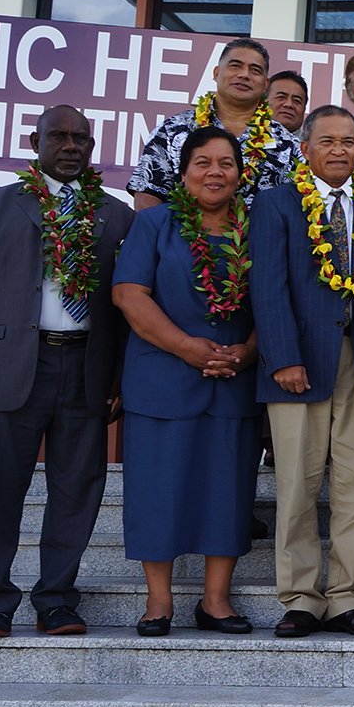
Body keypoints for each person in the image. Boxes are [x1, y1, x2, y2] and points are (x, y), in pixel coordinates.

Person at [0, 107, 132, 640]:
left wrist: (120, 374)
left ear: (92, 146)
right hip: (11, 368)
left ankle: (56, 600)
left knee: (77, 490)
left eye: (80, 137)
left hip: (87, 367)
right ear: (35, 142)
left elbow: (126, 306)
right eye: (58, 136)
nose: (70, 145)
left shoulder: (116, 215)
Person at [112, 127, 262, 637]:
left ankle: (216, 601)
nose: (214, 172)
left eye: (226, 163)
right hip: (163, 378)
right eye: (203, 162)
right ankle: (159, 602)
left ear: (240, 175)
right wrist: (186, 347)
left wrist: (249, 350)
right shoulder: (155, 223)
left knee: (228, 491)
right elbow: (129, 295)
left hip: (234, 379)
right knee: (157, 490)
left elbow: (277, 296)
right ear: (183, 174)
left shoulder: (257, 227)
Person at [251, 106, 354, 639]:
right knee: (297, 485)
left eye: (348, 141)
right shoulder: (277, 203)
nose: (338, 150)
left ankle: (350, 596)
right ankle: (301, 598)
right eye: (326, 141)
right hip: (299, 362)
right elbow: (267, 286)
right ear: (305, 148)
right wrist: (283, 357)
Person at [129, 38, 300, 209]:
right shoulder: (172, 131)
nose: (244, 75)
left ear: (265, 85)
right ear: (216, 73)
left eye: (255, 70)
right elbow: (147, 195)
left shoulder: (288, 145)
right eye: (235, 66)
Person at [266, 70, 309, 136]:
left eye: (297, 100)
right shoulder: (248, 135)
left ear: (304, 109)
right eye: (281, 97)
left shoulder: (311, 142)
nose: (289, 104)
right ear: (264, 101)